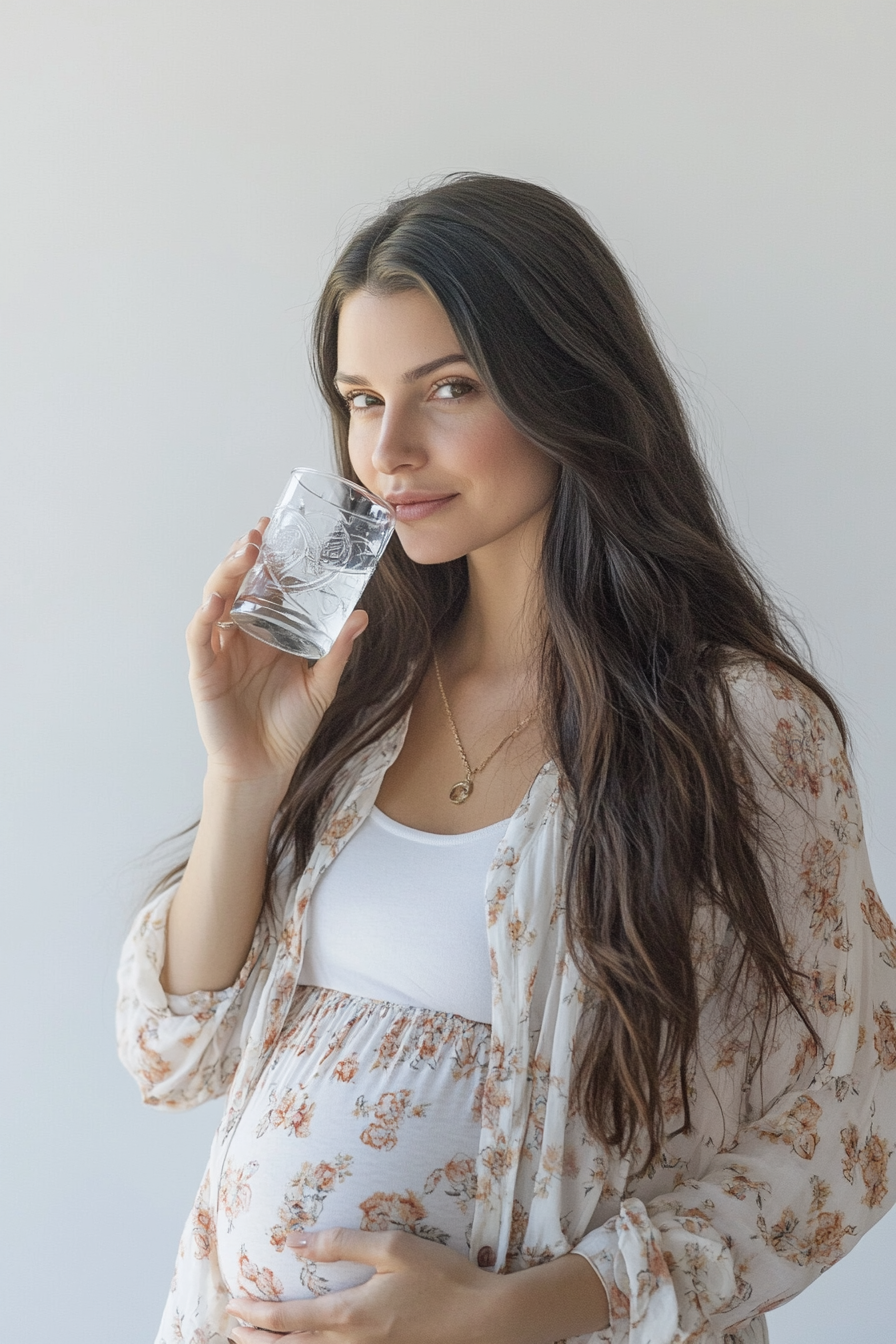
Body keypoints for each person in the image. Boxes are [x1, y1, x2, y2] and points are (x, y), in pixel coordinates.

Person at [117, 174, 896, 1344]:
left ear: (569, 388)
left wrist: (526, 1310)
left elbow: (850, 1120)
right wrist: (244, 778)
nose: (389, 449)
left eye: (450, 388)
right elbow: (170, 1057)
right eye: (359, 397)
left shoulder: (736, 726)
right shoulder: (351, 690)